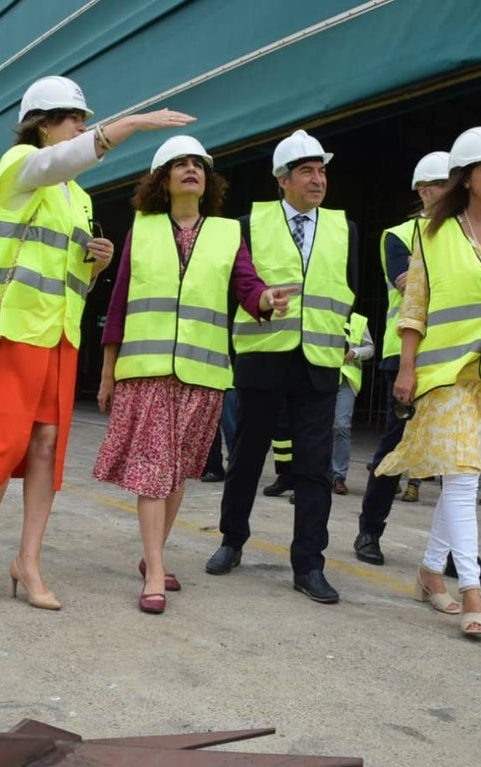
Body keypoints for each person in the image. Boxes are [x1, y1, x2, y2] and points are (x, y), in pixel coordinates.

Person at [0, 74, 195, 608]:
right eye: (73, 119)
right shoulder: (18, 167)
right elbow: (55, 165)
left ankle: (29, 560)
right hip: (13, 329)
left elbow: (69, 274)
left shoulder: (80, 200)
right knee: (2, 446)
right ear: (41, 125)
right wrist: (129, 126)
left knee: (46, 448)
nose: (82, 127)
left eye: (85, 120)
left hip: (60, 335)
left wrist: (94, 262)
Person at [93, 136, 290, 614]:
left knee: (177, 470)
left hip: (202, 372)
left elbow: (247, 285)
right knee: (153, 470)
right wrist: (107, 373)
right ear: (163, 179)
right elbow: (118, 306)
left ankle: (152, 555)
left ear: (208, 179)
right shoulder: (142, 229)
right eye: (180, 164)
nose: (191, 170)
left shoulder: (226, 233)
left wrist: (265, 300)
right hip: (146, 371)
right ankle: (156, 571)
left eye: (198, 164)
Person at [376, 127, 481, 636]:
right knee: (463, 477)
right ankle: (470, 587)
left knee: (461, 476)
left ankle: (432, 572)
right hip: (447, 371)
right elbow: (415, 305)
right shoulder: (434, 232)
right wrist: (406, 368)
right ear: (467, 178)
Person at [205, 129, 359, 605]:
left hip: (318, 363)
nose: (318, 180)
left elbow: (347, 292)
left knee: (313, 469)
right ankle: (232, 540)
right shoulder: (248, 224)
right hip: (263, 358)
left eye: (322, 171)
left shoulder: (345, 228)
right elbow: (237, 287)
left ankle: (309, 564)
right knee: (248, 458)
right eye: (307, 172)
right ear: (282, 179)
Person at [353, 152, 481, 588]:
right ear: (423, 191)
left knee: (462, 460)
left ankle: (460, 554)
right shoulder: (402, 235)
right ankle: (370, 530)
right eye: (444, 184)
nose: (455, 190)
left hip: (468, 361)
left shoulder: (479, 233)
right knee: (394, 446)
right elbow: (412, 286)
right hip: (411, 359)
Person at [330, 312, 373, 495]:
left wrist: (354, 352)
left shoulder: (358, 320)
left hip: (346, 381)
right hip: (322, 376)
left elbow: (370, 349)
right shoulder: (324, 311)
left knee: (341, 426)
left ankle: (338, 476)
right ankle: (318, 474)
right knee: (317, 428)